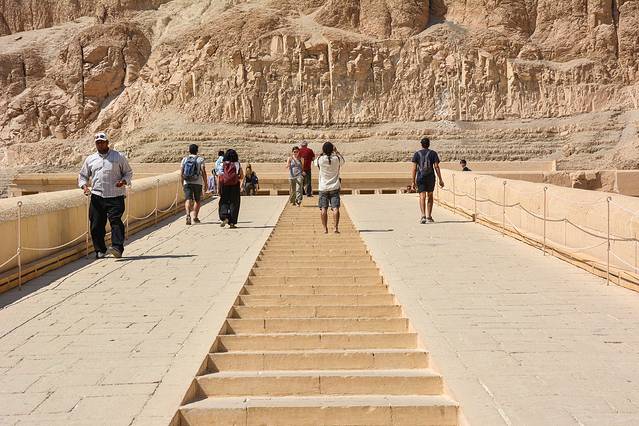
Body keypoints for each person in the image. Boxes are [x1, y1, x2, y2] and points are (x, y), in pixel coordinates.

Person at [78, 132, 133, 259]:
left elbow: (128, 172)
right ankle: (100, 250)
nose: (100, 144)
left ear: (107, 143)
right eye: (98, 142)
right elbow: (83, 175)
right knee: (96, 224)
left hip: (115, 196)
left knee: (115, 221)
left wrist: (123, 181)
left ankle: (117, 248)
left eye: (102, 142)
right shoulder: (90, 159)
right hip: (97, 196)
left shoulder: (119, 157)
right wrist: (84, 187)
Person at [411, 137, 445, 224]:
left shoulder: (417, 154)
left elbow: (414, 169)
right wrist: (440, 179)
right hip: (430, 177)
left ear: (421, 144)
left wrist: (413, 181)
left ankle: (423, 216)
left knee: (422, 196)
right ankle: (429, 216)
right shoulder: (433, 153)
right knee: (430, 195)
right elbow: (436, 167)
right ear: (429, 144)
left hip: (420, 177)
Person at [314, 142, 344, 234]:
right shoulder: (337, 158)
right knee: (335, 208)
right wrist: (336, 151)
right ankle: (335, 227)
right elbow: (343, 161)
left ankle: (325, 228)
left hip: (323, 187)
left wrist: (322, 153)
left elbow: (315, 162)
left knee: (323, 208)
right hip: (334, 186)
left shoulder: (320, 159)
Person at [181, 144, 207, 225]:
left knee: (188, 199)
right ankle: (195, 217)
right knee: (197, 200)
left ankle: (188, 215)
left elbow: (181, 173)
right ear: (197, 151)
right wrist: (205, 183)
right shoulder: (200, 159)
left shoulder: (185, 159)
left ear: (189, 150)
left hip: (187, 182)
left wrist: (182, 183)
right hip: (197, 182)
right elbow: (203, 172)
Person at [218, 149, 244, 228]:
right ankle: (232, 223)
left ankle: (224, 216)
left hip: (224, 185)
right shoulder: (237, 164)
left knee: (223, 201)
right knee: (234, 203)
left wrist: (218, 188)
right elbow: (242, 176)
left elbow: (219, 177)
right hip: (235, 185)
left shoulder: (223, 164)